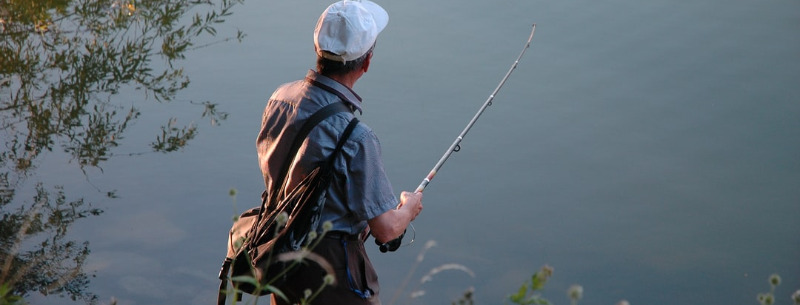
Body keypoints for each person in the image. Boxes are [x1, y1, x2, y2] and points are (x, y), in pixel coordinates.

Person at [256, 1, 423, 304]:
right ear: (367, 62)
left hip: (281, 254)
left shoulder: (279, 99)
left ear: (318, 50)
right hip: (332, 271)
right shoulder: (357, 137)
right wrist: (408, 208)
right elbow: (385, 229)